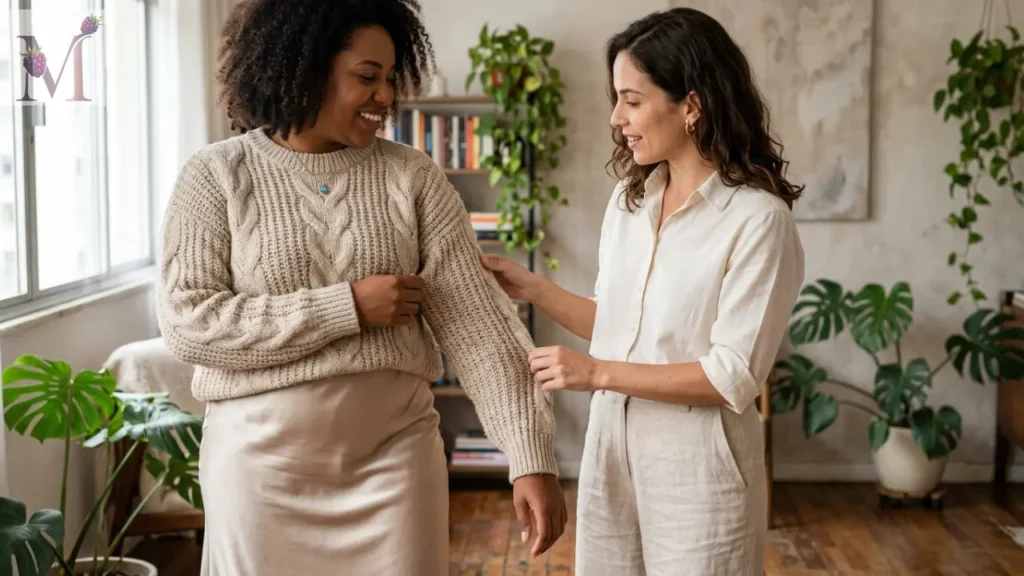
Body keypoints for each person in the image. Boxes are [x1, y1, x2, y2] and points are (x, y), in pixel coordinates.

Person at [155, 1, 566, 574]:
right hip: (258, 470)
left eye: (391, 79)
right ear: (304, 69)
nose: (385, 97)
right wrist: (345, 307)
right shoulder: (217, 175)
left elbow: (479, 328)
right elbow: (188, 323)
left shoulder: (413, 176)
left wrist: (529, 456)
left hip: (393, 464)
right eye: (367, 77)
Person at [481, 7, 805, 575]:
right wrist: (530, 286)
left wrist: (596, 373)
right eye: (616, 99)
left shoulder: (757, 220)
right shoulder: (630, 204)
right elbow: (618, 324)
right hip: (610, 457)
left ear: (691, 104)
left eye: (632, 100)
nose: (616, 117)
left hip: (698, 472)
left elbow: (733, 374)